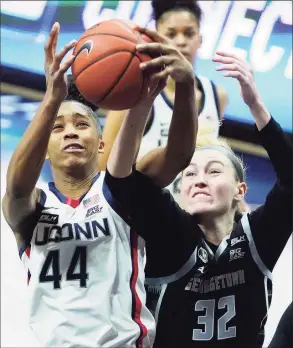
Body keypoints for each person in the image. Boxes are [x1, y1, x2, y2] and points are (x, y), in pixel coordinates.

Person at [1, 21, 197, 347]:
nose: (71, 132)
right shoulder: (32, 207)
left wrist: (186, 85)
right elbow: (16, 188)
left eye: (81, 124)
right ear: (44, 151)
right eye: (58, 128)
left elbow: (178, 156)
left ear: (102, 143)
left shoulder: (122, 189)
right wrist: (52, 99)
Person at [105, 26, 293, 348]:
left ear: (240, 191)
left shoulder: (257, 239)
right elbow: (120, 181)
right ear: (178, 193)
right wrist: (142, 103)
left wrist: (255, 105)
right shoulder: (173, 233)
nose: (200, 178)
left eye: (214, 170)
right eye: (189, 175)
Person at [99, 0, 228, 197]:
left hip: (191, 215)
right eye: (171, 34)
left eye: (189, 33)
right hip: (142, 211)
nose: (181, 41)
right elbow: (103, 169)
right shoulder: (134, 90)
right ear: (156, 38)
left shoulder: (217, 95)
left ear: (200, 39)